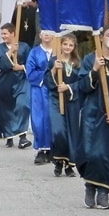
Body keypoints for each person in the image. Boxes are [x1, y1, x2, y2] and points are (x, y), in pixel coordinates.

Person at [77, 26, 109, 210]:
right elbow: (82, 85)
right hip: (92, 112)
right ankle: (90, 187)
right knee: (90, 152)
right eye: (108, 35)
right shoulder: (90, 59)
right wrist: (94, 70)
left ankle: (103, 193)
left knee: (106, 153)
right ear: (102, 37)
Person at [45, 33, 81, 177]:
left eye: (70, 45)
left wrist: (69, 87)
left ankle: (69, 165)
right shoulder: (54, 60)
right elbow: (46, 81)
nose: (67, 47)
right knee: (59, 131)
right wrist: (54, 69)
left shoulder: (78, 63)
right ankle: (58, 161)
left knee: (71, 133)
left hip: (71, 101)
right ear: (60, 45)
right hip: (55, 99)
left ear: (74, 47)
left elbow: (81, 82)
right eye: (65, 44)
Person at [0, 23, 32, 149]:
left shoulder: (24, 47)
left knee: (22, 105)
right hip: (5, 82)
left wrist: (22, 67)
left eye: (5, 33)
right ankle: (9, 135)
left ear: (12, 33)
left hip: (21, 81)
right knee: (6, 109)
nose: (3, 36)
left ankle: (22, 137)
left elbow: (31, 63)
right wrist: (10, 52)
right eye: (2, 34)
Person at [26, 32, 55, 165]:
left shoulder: (58, 51)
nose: (47, 35)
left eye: (50, 33)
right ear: (40, 36)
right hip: (39, 88)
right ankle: (41, 149)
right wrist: (48, 73)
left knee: (53, 119)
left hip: (55, 89)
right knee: (39, 119)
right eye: (44, 33)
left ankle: (53, 149)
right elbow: (30, 72)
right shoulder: (35, 52)